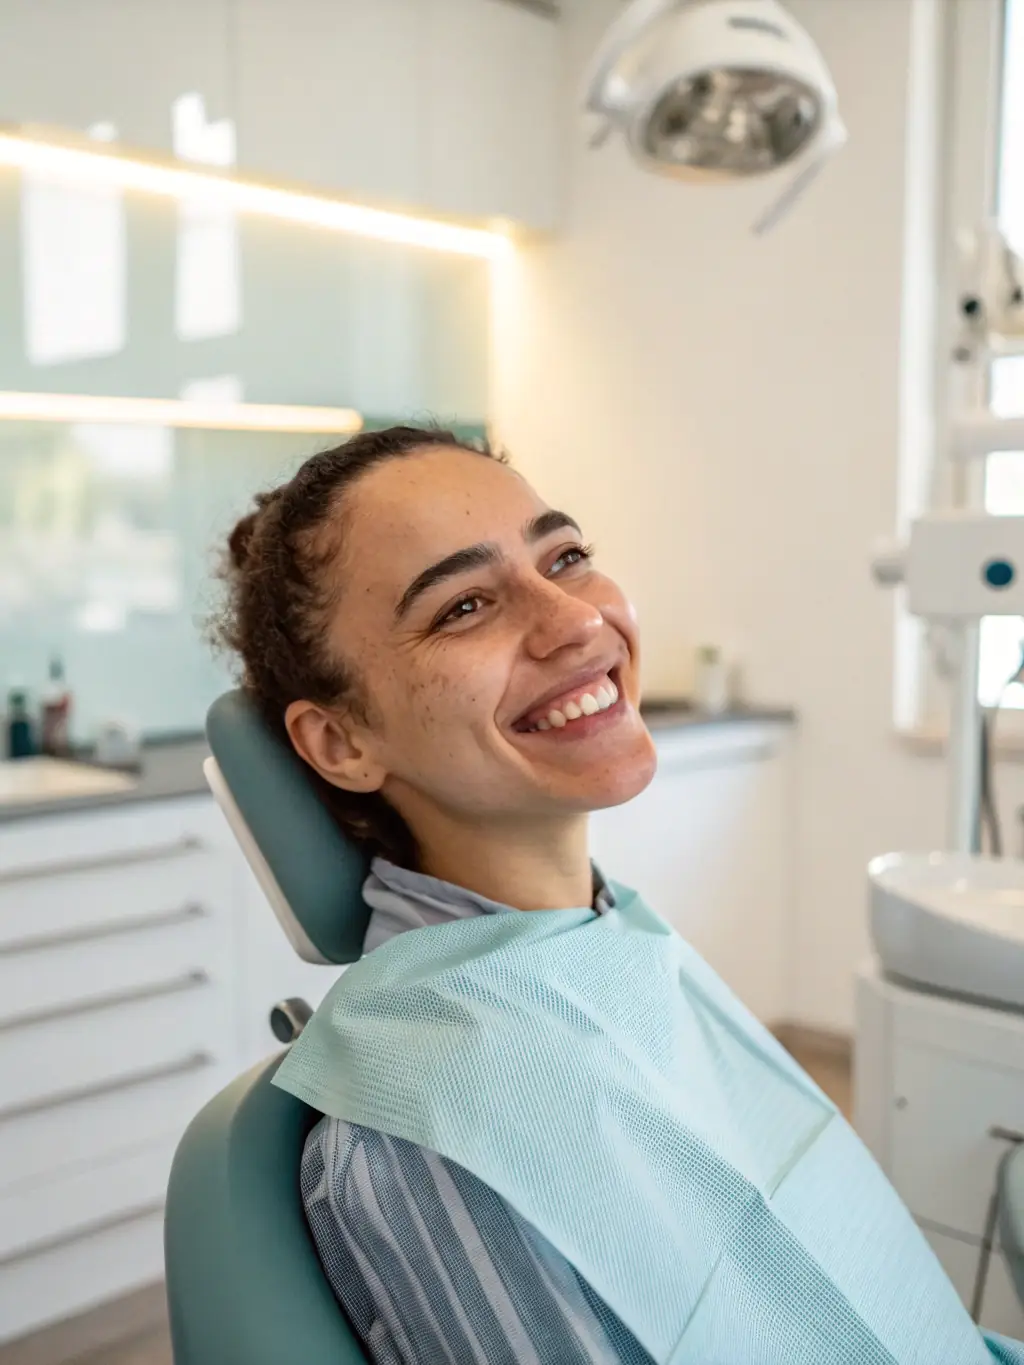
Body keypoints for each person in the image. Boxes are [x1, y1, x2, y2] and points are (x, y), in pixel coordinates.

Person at [216, 426, 1023, 1365]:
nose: (574, 620)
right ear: (342, 743)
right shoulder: (431, 1133)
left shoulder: (608, 937)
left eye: (565, 557)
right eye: (465, 604)